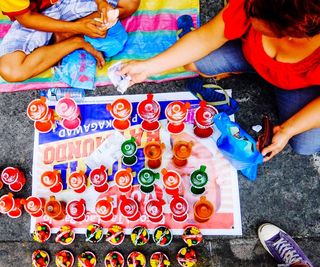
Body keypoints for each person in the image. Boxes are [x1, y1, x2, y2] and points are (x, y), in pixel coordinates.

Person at [120, 0, 320, 161]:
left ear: (290, 32)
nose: (246, 9)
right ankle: (250, 70)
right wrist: (147, 67)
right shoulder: (255, 3)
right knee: (193, 61)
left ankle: (256, 73)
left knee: (305, 145)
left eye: (253, 14)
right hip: (251, 55)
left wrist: (288, 129)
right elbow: (204, 38)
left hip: (297, 84)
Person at [0, 0, 140, 82]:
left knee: (129, 4)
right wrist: (76, 28)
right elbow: (26, 18)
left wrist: (101, 2)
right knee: (11, 70)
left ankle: (64, 35)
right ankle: (74, 40)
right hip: (39, 15)